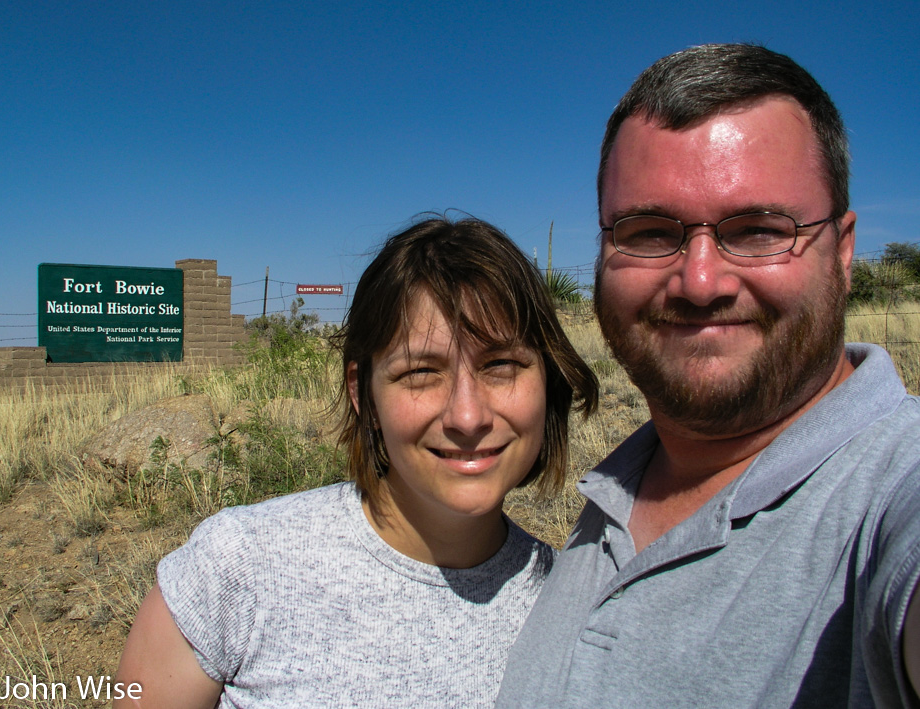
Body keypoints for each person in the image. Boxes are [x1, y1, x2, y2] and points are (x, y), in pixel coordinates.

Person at [496, 44, 920, 708]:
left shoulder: (894, 486)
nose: (699, 282)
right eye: (650, 231)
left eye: (758, 229)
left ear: (842, 252)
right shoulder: (613, 492)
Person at [113, 215, 598, 708]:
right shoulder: (240, 567)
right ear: (362, 393)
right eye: (421, 372)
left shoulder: (576, 614)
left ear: (548, 381)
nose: (467, 416)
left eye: (501, 365)